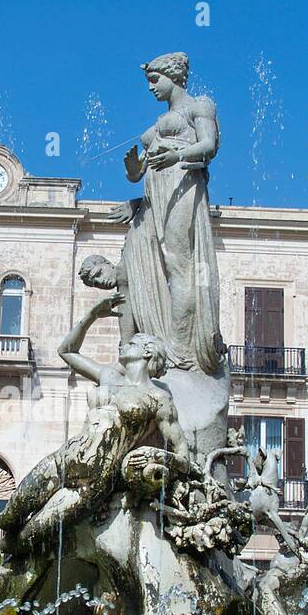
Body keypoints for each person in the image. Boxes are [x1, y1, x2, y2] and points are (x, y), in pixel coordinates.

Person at [0, 290, 191, 552]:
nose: (123, 345)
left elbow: (182, 455)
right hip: (64, 459)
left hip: (95, 479)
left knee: (26, 539)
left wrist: (152, 458)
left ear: (147, 352)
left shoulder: (159, 399)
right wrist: (91, 316)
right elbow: (66, 351)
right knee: (8, 518)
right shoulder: (109, 376)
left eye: (131, 343)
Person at [107, 52, 223, 375]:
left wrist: (176, 156)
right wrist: (134, 172)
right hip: (154, 194)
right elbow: (140, 169)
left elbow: (209, 146)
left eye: (155, 80)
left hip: (182, 184)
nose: (150, 88)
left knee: (178, 266)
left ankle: (180, 350)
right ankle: (156, 338)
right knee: (147, 267)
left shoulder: (200, 105)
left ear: (174, 75)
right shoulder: (159, 123)